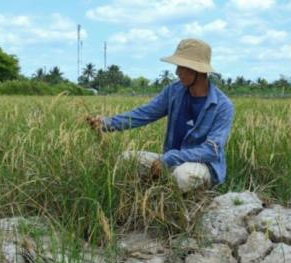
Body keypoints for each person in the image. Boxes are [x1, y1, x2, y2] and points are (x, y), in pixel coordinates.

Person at [86, 38, 234, 193]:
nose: (177, 72)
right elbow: (144, 113)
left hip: (200, 166)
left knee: (183, 176)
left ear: (197, 70)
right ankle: (155, 190)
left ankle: (191, 195)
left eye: (182, 67)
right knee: (126, 160)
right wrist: (108, 123)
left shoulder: (223, 107)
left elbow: (211, 151)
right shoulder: (174, 91)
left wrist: (170, 158)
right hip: (170, 161)